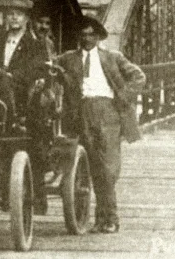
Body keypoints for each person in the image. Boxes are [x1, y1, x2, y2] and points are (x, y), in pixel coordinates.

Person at [59, 16, 146, 233]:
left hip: (108, 112)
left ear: (98, 37)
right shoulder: (68, 58)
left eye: (91, 34)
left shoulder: (112, 57)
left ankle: (110, 218)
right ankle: (98, 219)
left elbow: (139, 77)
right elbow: (48, 66)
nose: (87, 38)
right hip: (81, 113)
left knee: (107, 167)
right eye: (83, 34)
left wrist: (123, 97)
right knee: (88, 166)